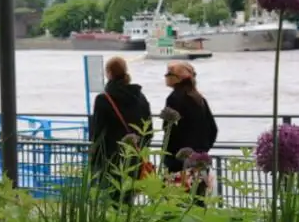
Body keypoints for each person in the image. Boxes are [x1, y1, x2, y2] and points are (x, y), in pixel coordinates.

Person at [89, 57, 152, 201]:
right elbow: (148, 130)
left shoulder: (104, 99)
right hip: (134, 159)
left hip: (110, 160)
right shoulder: (140, 97)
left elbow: (97, 133)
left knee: (109, 200)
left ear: (109, 73)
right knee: (128, 199)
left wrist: (94, 158)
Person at [162, 62, 218, 201]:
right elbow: (213, 129)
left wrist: (170, 156)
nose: (165, 76)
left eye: (169, 74)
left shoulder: (174, 99)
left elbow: (169, 129)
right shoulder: (199, 99)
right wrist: (202, 149)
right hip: (199, 163)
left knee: (176, 205)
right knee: (198, 204)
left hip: (178, 164)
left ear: (177, 78)